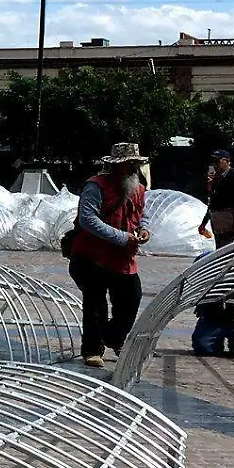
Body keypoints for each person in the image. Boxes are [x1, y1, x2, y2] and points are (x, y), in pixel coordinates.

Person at [67, 142, 151, 369]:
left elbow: (143, 214)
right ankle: (93, 350)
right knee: (95, 304)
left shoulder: (138, 188)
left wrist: (143, 230)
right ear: (116, 165)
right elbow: (88, 220)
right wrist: (122, 237)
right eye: (129, 164)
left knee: (131, 298)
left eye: (136, 164)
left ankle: (113, 336)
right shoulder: (96, 186)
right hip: (91, 255)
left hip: (123, 257)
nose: (134, 168)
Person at [198, 150, 234, 249]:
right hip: (218, 220)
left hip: (230, 219)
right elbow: (213, 202)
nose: (215, 164)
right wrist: (204, 223)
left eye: (218, 161)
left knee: (226, 249)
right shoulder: (216, 178)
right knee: (220, 249)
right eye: (213, 161)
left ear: (227, 161)